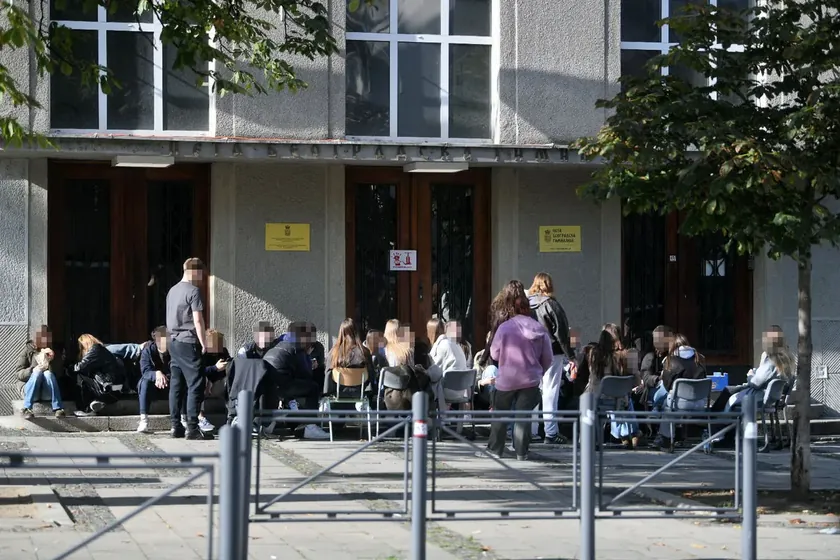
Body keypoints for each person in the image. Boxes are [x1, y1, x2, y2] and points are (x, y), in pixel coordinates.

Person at [481, 281, 553, 461]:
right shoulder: (539, 329)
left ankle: (495, 450)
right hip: (530, 379)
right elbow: (548, 358)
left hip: (507, 379)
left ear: (513, 307)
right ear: (528, 309)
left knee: (500, 414)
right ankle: (521, 452)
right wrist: (539, 371)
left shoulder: (505, 328)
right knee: (523, 417)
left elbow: (495, 354)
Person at [527, 272, 574, 445]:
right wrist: (571, 356)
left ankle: (530, 431)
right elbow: (561, 333)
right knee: (550, 391)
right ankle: (551, 432)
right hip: (553, 352)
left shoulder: (527, 306)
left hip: (531, 352)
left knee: (532, 390)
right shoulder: (552, 305)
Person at [165, 257, 210, 440]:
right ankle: (192, 427)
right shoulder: (193, 291)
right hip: (188, 341)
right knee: (196, 383)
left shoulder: (172, 291)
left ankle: (176, 426)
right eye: (201, 274)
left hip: (173, 341)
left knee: (176, 385)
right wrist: (204, 342)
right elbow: (198, 320)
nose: (201, 278)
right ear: (194, 271)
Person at [262, 330, 330, 440]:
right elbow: (306, 374)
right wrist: (309, 360)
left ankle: (277, 421)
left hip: (269, 384)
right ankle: (310, 426)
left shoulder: (280, 344)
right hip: (283, 384)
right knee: (313, 387)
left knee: (295, 390)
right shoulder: (298, 349)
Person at [586, 324, 638, 449]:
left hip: (598, 399)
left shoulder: (594, 354)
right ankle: (632, 434)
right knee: (628, 401)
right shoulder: (627, 355)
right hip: (620, 399)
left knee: (587, 399)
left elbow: (593, 378)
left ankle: (593, 439)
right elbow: (635, 380)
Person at [654, 333, 707, 448]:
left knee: (666, 405)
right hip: (700, 403)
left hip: (679, 404)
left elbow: (667, 386)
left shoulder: (670, 360)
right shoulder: (700, 358)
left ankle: (666, 438)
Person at [16, 325, 65, 419]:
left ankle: (58, 408)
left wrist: (51, 361)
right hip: (29, 390)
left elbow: (59, 374)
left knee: (48, 374)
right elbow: (18, 373)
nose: (44, 340)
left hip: (47, 392)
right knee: (37, 373)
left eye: (47, 337)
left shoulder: (53, 352)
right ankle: (27, 408)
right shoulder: (28, 350)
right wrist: (32, 370)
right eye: (41, 337)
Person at [73, 334, 125, 416]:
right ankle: (94, 403)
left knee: (80, 374)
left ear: (85, 343)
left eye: (81, 347)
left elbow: (80, 367)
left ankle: (86, 409)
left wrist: (68, 368)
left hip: (108, 390)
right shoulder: (102, 350)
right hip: (113, 390)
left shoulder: (95, 349)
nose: (81, 350)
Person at [325, 318, 375, 400]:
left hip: (338, 392)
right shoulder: (364, 352)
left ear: (341, 332)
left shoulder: (334, 352)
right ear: (356, 332)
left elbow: (327, 373)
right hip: (360, 393)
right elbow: (371, 374)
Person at [192, 329, 231, 433]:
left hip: (218, 382)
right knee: (200, 380)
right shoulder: (201, 353)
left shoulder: (223, 351)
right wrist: (214, 369)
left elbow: (227, 368)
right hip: (204, 382)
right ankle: (200, 417)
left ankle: (231, 415)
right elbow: (198, 371)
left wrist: (212, 381)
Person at [137, 327, 171, 433]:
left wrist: (164, 377)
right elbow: (145, 371)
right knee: (144, 382)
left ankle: (182, 420)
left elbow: (178, 369)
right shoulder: (148, 350)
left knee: (181, 380)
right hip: (153, 385)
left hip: (170, 384)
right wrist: (156, 374)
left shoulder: (175, 351)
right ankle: (144, 421)